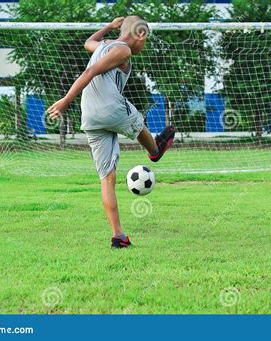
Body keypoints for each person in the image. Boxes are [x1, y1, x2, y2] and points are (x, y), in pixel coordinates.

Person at [48, 15, 175, 249]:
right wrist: (66, 100)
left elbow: (88, 42)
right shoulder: (123, 50)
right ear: (140, 35)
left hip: (90, 117)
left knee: (107, 178)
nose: (143, 47)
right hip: (110, 108)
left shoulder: (104, 46)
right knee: (137, 120)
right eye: (145, 41)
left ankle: (118, 235)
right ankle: (155, 150)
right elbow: (90, 73)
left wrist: (108, 27)